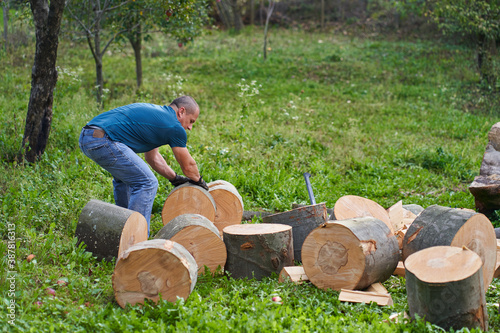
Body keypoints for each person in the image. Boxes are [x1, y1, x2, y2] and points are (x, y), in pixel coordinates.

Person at [78, 95, 208, 235]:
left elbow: (153, 158)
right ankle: (136, 237)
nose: (190, 127)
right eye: (191, 121)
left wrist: (174, 178)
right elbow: (188, 166)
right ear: (181, 112)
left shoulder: (160, 118)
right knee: (147, 183)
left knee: (126, 180)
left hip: (89, 135)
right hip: (102, 139)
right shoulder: (174, 126)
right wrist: (199, 181)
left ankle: (121, 230)